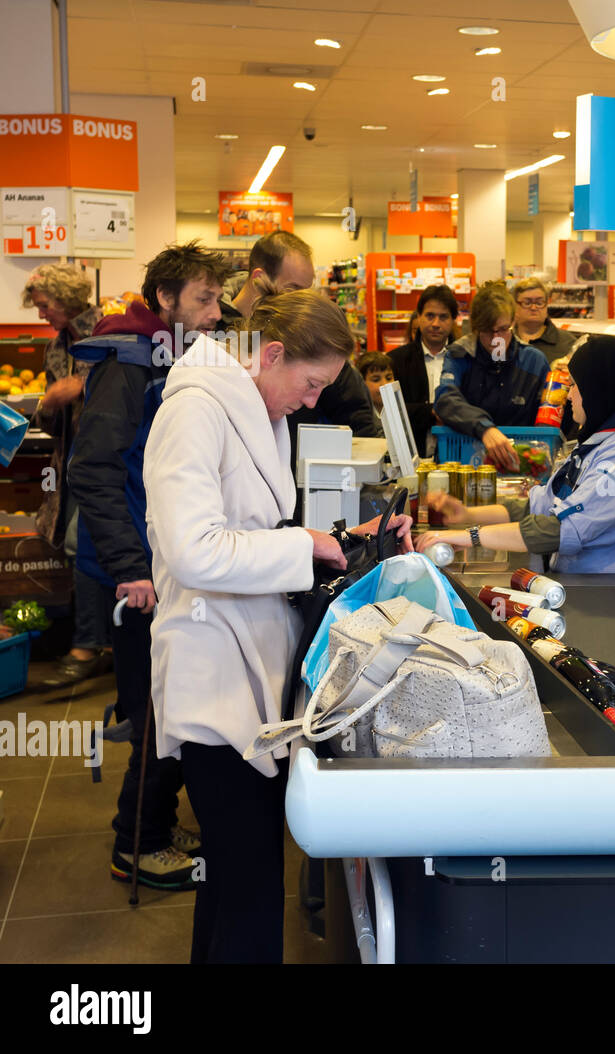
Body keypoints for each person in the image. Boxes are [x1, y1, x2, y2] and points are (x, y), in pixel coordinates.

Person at [142, 289, 413, 963]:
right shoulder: (196, 411)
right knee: (251, 892)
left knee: (236, 884)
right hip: (212, 677)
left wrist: (345, 536)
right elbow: (195, 549)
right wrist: (308, 549)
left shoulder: (259, 408)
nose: (315, 399)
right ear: (270, 355)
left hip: (249, 668)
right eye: (311, 382)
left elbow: (261, 532)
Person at [67, 240, 228, 890]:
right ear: (166, 301)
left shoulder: (164, 353)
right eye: (204, 299)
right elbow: (93, 469)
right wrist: (132, 567)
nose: (217, 313)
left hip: (159, 561)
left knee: (171, 702)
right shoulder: (128, 363)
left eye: (218, 298)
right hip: (132, 574)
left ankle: (155, 824)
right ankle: (137, 845)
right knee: (158, 711)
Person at [418, 336, 615, 573]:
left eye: (575, 385)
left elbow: (561, 529)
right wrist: (468, 514)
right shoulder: (606, 438)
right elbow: (540, 504)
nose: (568, 396)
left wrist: (468, 537)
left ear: (598, 389)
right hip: (596, 582)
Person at [21, 263, 111, 686]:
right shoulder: (56, 346)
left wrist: (82, 386)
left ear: (66, 299)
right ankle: (104, 640)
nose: (41, 315)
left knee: (83, 543)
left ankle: (88, 644)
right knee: (82, 545)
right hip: (73, 461)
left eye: (44, 306)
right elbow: (52, 408)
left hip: (111, 463)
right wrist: (48, 402)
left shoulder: (109, 330)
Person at [220, 230, 380, 458]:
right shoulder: (211, 333)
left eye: (308, 290)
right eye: (293, 289)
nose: (304, 300)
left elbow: (353, 407)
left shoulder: (313, 336)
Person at [434, 282, 549, 472]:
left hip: (522, 467)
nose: (496, 338)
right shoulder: (460, 354)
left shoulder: (534, 361)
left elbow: (548, 421)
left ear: (513, 322)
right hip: (468, 464)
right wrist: (484, 428)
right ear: (476, 328)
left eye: (503, 329)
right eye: (488, 331)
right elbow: (446, 399)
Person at [388, 284, 458, 457]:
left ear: (453, 320)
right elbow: (391, 410)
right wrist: (432, 412)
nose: (435, 323)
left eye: (443, 317)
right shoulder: (395, 360)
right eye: (430, 316)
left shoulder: (465, 360)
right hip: (409, 456)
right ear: (418, 318)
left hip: (457, 452)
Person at [512, 277, 577, 365]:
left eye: (539, 303)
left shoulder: (568, 343)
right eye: (527, 303)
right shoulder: (502, 339)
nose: (533, 308)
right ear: (515, 305)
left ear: (547, 304)